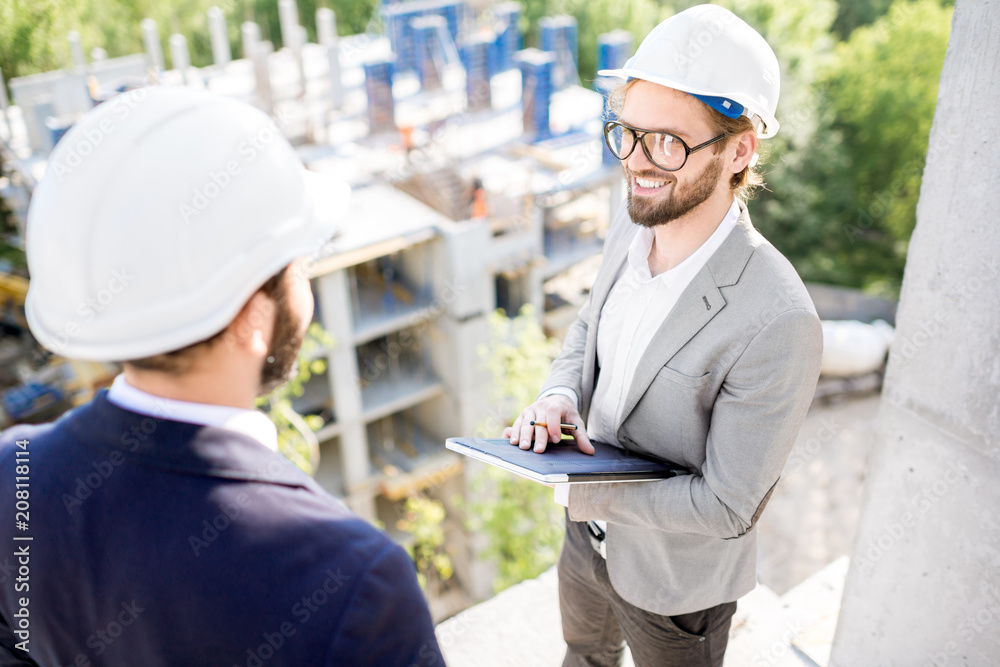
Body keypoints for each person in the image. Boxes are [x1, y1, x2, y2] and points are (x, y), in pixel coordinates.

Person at [0, 87, 443, 666]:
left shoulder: (16, 479)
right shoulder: (354, 580)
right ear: (250, 317)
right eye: (300, 268)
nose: (305, 293)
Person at [503, 6, 823, 666]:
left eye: (669, 142)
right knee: (582, 654)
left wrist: (582, 486)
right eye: (628, 132)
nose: (639, 164)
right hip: (584, 538)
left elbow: (727, 504)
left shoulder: (779, 318)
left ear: (739, 150)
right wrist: (560, 394)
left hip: (676, 587)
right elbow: (589, 328)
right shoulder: (633, 221)